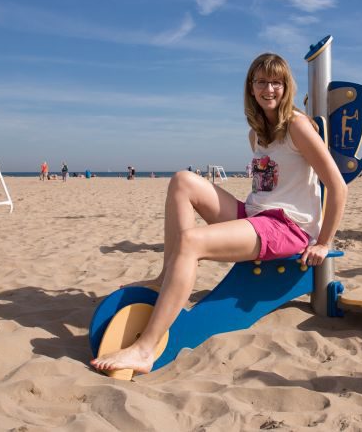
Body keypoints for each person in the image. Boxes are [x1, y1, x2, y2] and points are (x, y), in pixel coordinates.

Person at [90, 53, 347, 376]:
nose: (269, 89)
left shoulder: (296, 125)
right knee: (183, 181)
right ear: (251, 88)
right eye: (262, 82)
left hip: (287, 227)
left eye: (276, 82)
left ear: (287, 87)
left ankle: (144, 350)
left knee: (192, 242)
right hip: (256, 216)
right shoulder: (256, 133)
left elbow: (337, 186)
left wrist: (323, 242)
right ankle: (163, 279)